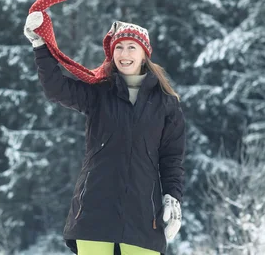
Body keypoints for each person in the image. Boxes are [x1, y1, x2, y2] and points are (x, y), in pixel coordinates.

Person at [24, 14, 186, 255]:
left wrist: (172, 196)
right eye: (118, 47)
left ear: (144, 54)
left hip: (143, 216)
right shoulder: (100, 93)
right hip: (95, 212)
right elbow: (57, 88)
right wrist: (40, 46)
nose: (124, 53)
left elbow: (172, 158)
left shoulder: (166, 104)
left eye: (132, 47)